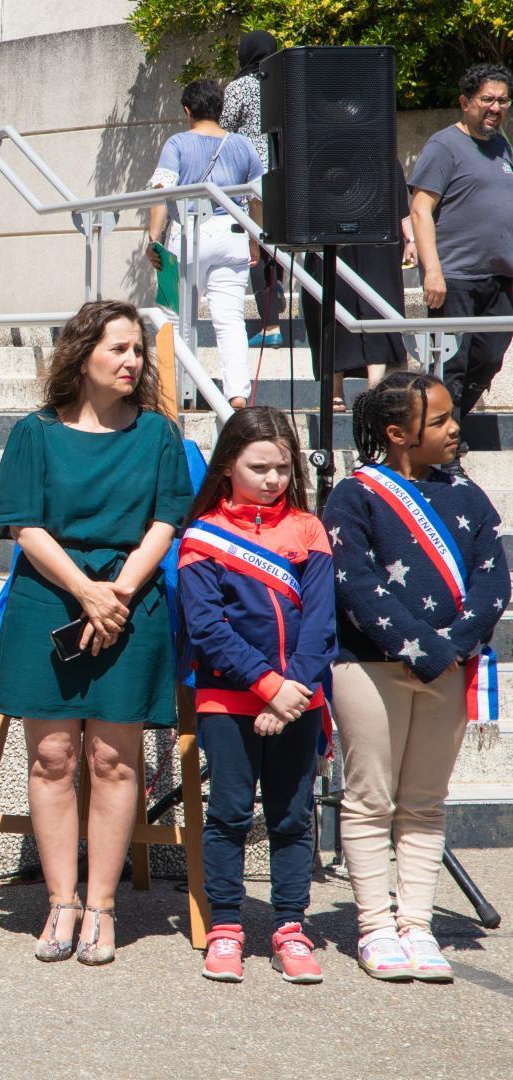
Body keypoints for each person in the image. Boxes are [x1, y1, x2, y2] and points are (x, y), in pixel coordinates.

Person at [0, 299, 191, 966]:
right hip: (51, 599)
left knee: (113, 758)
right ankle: (61, 902)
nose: (132, 361)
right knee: (51, 759)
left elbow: (166, 521)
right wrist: (85, 592)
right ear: (82, 355)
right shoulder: (35, 434)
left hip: (131, 601)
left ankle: (101, 907)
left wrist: (119, 594)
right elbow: (24, 523)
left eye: (137, 349)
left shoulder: (157, 435)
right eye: (119, 349)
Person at [322, 372, 509, 982]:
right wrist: (425, 648)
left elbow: (492, 579)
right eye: (439, 421)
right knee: (371, 797)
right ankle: (376, 926)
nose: (455, 429)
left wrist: (454, 645)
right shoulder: (355, 495)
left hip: (449, 666)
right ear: (398, 434)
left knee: (426, 802)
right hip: (372, 666)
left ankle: (417, 925)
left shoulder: (469, 497)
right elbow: (355, 583)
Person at [178, 407, 334, 984]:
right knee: (229, 814)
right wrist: (269, 688)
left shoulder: (308, 529)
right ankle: (225, 927)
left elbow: (320, 623)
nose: (273, 480)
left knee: (294, 817)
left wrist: (293, 692)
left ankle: (290, 927)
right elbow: (208, 629)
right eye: (259, 467)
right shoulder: (203, 536)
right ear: (227, 467)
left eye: (283, 469)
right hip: (231, 700)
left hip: (300, 699)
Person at [146, 79, 264, 409]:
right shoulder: (242, 145)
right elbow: (257, 199)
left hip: (185, 232)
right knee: (230, 319)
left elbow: (160, 191)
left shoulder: (177, 144)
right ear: (220, 109)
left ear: (187, 110)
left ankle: (175, 388)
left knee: (173, 314)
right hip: (233, 232)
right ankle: (237, 393)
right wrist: (255, 238)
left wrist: (153, 240)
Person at [409, 63, 513, 430]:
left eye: (502, 100)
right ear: (465, 102)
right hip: (454, 276)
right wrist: (432, 270)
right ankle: (441, 448)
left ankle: (447, 429)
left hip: (500, 278)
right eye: (487, 99)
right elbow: (421, 208)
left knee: (489, 359)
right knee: (450, 365)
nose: (495, 107)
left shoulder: (502, 145)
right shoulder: (444, 145)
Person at [301, 183, 415, 405]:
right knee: (335, 305)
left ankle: (376, 388)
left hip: (377, 236)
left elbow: (399, 205)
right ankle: (335, 390)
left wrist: (411, 239)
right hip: (333, 230)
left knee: (379, 305)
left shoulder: (384, 154)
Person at [220, 30, 287, 348]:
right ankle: (278, 305)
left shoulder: (239, 87)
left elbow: (225, 129)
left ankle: (271, 324)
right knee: (277, 245)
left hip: (253, 179)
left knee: (256, 250)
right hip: (285, 174)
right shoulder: (286, 82)